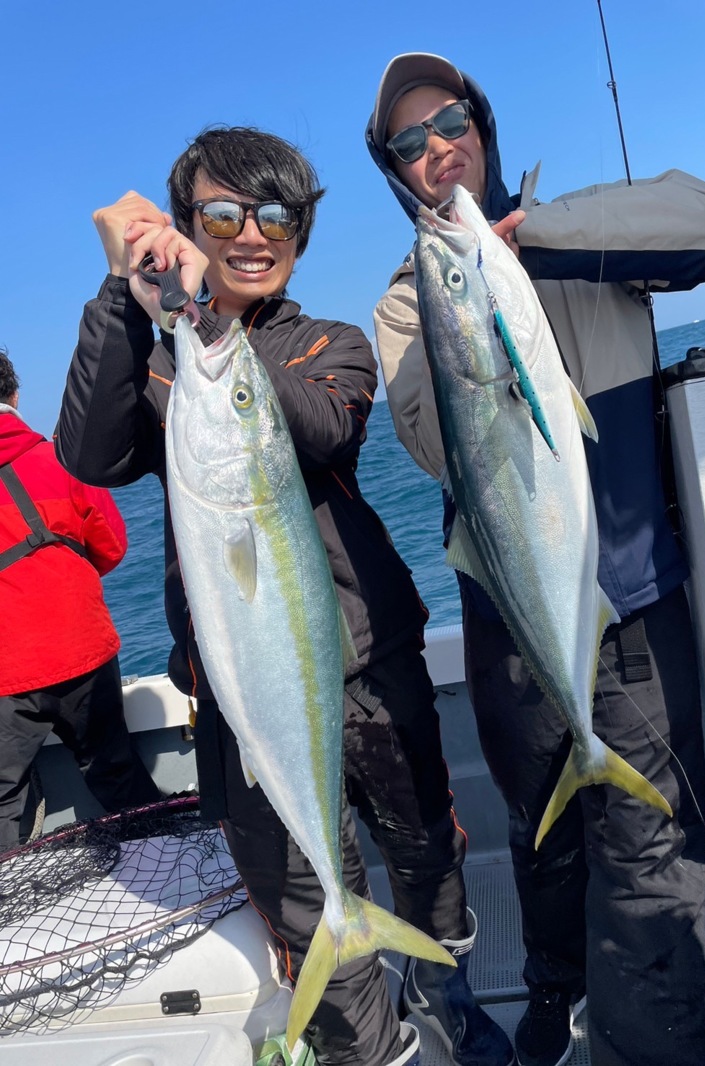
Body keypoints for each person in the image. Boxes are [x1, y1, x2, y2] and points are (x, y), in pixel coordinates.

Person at [55, 126, 514, 1066]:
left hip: (374, 671)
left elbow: (321, 430)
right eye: (222, 214)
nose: (252, 233)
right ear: (189, 226)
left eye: (277, 214)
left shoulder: (331, 344)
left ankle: (445, 986)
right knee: (307, 895)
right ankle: (372, 1049)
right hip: (244, 691)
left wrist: (210, 330)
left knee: (429, 851)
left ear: (301, 232)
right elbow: (89, 456)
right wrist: (124, 296)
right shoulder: (163, 367)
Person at [366, 53, 705, 1066]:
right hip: (512, 628)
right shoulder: (408, 304)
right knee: (545, 847)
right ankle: (558, 1004)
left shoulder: (584, 233)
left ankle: (649, 1042)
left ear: (480, 126)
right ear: (394, 173)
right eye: (409, 141)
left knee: (650, 853)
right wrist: (469, 301)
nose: (437, 147)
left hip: (630, 610)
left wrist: (545, 244)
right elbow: (440, 443)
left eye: (449, 121)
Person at [0, 347, 160, 853]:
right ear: (16, 395)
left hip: (7, 672)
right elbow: (111, 543)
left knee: (4, 801)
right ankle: (159, 870)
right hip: (82, 645)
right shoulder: (60, 459)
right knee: (115, 770)